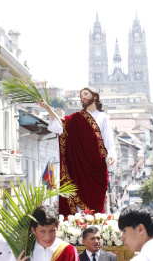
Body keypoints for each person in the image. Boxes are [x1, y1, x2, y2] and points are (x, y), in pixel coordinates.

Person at [38, 86, 116, 216]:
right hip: (77, 167)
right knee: (77, 205)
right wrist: (47, 108)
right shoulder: (75, 119)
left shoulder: (103, 117)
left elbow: (109, 141)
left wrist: (111, 156)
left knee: (95, 206)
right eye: (81, 95)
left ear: (94, 97)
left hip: (96, 168)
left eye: (86, 94)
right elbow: (59, 125)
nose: (83, 97)